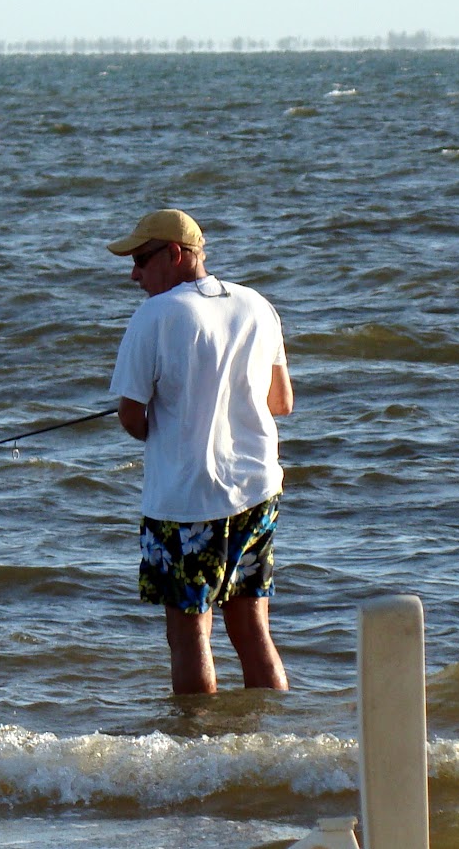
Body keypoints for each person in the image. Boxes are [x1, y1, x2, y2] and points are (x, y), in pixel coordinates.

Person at [106, 208, 293, 695]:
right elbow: (282, 403)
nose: (134, 274)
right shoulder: (257, 305)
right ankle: (272, 746)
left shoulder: (156, 315)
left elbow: (131, 418)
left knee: (189, 637)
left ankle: (199, 757)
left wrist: (168, 423)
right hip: (258, 492)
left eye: (142, 260)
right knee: (252, 630)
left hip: (186, 502)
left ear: (175, 254)